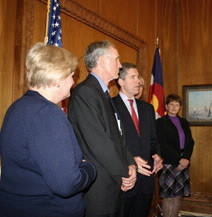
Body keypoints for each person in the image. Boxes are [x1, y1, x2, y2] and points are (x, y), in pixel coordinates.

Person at [0, 43, 97, 217]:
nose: (73, 81)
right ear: (56, 78)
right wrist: (90, 168)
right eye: (70, 75)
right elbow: (67, 184)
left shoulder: (17, 106)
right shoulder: (47, 113)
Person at [68, 41, 137, 217]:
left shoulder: (104, 94)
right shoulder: (85, 93)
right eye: (116, 59)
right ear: (101, 60)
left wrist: (131, 164)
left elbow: (118, 136)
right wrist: (124, 173)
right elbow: (98, 142)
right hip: (100, 187)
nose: (120, 65)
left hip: (114, 182)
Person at [113, 62, 163, 217]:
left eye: (138, 78)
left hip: (146, 181)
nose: (139, 81)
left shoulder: (147, 108)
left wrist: (158, 155)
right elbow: (110, 143)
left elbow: (153, 140)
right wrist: (130, 160)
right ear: (121, 81)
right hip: (125, 179)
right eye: (133, 77)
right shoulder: (110, 106)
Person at [156, 94, 195, 217]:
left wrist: (186, 158)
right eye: (171, 104)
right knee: (168, 197)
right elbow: (162, 144)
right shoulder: (160, 122)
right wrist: (179, 160)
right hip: (168, 163)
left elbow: (190, 142)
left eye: (177, 105)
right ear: (166, 106)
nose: (174, 107)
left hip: (184, 162)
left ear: (180, 107)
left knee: (178, 195)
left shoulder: (184, 122)